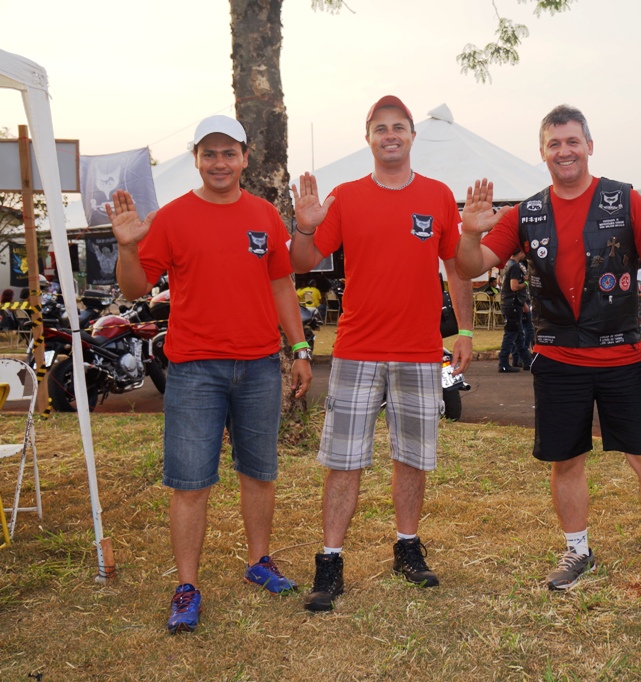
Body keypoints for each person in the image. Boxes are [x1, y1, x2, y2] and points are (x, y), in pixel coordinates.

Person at [455, 104, 641, 609]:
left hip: (623, 358)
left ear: (589, 146)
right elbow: (470, 265)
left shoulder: (624, 200)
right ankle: (577, 551)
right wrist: (471, 233)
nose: (564, 151)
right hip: (558, 360)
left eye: (572, 141)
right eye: (554, 143)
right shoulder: (526, 213)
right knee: (565, 462)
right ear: (542, 152)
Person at [108, 115, 313, 634]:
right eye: (209, 153)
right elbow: (135, 289)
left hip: (260, 365)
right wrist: (128, 247)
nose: (219, 163)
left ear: (245, 158)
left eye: (228, 153)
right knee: (190, 481)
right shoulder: (172, 218)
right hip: (194, 368)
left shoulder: (265, 215)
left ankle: (259, 562)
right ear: (197, 159)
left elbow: (282, 285)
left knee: (259, 471)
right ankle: (187, 587)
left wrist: (300, 348)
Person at [289, 95, 474, 613]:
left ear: (412, 135)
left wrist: (464, 330)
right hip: (358, 350)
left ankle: (407, 548)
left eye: (399, 127)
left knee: (412, 457)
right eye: (380, 128)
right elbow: (301, 261)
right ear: (368, 138)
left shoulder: (438, 196)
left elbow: (457, 267)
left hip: (419, 351)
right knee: (343, 461)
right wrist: (305, 226)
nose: (390, 135)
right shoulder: (346, 197)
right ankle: (330, 561)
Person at [498, 251, 528, 372]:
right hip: (512, 304)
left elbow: (499, 281)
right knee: (510, 334)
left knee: (518, 334)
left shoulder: (505, 264)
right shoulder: (515, 266)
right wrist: (526, 282)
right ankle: (503, 363)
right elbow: (514, 287)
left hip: (506, 302)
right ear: (520, 252)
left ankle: (527, 361)